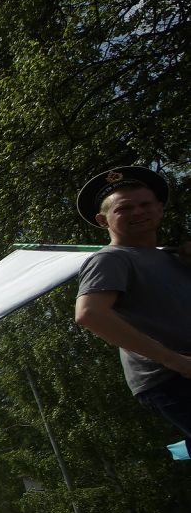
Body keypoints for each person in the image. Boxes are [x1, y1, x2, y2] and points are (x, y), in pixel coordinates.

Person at [72, 165, 191, 438]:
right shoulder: (111, 259)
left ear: (160, 209)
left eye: (145, 204)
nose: (138, 212)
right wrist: (174, 361)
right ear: (103, 220)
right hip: (173, 378)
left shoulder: (171, 257)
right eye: (124, 209)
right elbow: (90, 314)